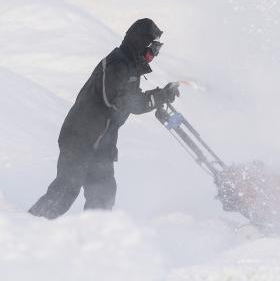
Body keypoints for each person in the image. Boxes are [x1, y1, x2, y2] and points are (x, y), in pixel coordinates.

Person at [29, 18, 180, 218]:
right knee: (66, 190)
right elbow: (118, 101)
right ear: (139, 43)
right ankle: (30, 226)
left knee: (103, 195)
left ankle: (95, 240)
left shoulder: (131, 68)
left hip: (101, 145)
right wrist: (155, 97)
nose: (153, 56)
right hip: (80, 139)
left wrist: (159, 96)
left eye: (157, 50)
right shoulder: (117, 64)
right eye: (151, 49)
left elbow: (129, 101)